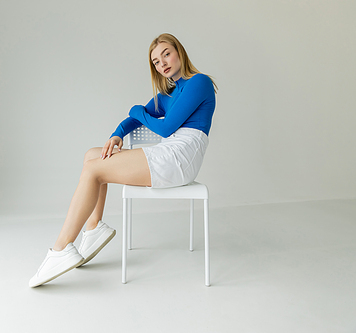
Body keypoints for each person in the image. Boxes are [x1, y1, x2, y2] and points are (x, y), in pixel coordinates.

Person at [29, 33, 217, 288]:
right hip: (169, 153)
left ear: (179, 52)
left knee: (94, 170)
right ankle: (94, 228)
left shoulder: (199, 82)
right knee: (92, 155)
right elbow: (136, 118)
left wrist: (137, 110)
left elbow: (165, 128)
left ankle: (61, 248)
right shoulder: (169, 93)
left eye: (166, 54)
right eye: (155, 61)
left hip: (179, 158)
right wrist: (117, 133)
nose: (162, 63)